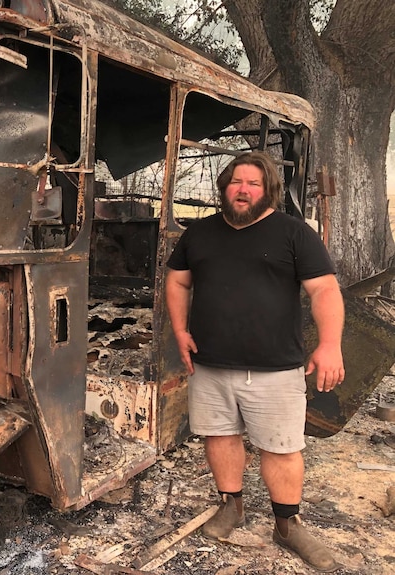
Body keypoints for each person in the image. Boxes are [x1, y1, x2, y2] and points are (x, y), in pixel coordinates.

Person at [165, 151, 345, 572]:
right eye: (236, 182)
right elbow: (176, 278)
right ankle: (231, 507)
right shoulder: (199, 234)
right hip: (210, 364)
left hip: (276, 367)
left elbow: (324, 291)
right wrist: (179, 330)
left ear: (269, 192)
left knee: (281, 448)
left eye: (253, 183)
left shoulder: (294, 234)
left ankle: (288, 524)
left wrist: (330, 343)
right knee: (219, 436)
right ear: (224, 188)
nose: (243, 189)